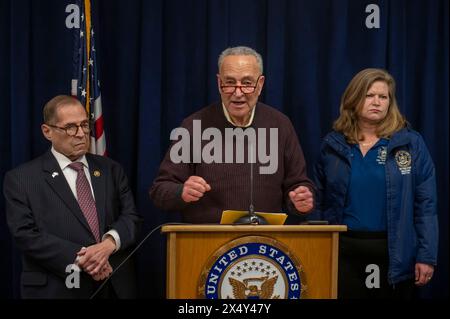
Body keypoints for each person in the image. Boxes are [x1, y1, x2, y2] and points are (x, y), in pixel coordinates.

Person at [150, 46, 314, 223]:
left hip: (264, 243)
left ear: (260, 84)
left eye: (247, 83)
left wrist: (300, 199)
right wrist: (181, 192)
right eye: (229, 83)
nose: (238, 93)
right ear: (219, 83)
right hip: (207, 242)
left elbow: (297, 184)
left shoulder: (280, 124)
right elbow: (159, 191)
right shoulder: (193, 126)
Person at [313, 68, 438, 299]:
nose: (377, 102)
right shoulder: (332, 145)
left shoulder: (410, 143)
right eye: (369, 95)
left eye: (383, 97)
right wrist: (317, 250)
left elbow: (426, 206)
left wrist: (426, 255)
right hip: (343, 252)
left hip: (393, 253)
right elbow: (318, 203)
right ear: (354, 98)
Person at [3, 95, 142, 299]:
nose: (80, 134)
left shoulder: (111, 169)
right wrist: (87, 259)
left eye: (84, 125)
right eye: (70, 127)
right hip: (58, 288)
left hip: (114, 286)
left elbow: (131, 217)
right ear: (47, 131)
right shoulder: (22, 179)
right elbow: (25, 235)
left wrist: (108, 245)